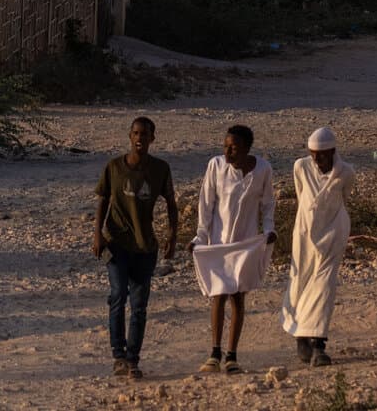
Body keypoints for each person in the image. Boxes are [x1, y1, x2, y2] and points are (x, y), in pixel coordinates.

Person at [92, 115, 178, 380]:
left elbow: (172, 204)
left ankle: (133, 360)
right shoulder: (114, 167)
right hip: (116, 244)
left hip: (145, 246)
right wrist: (97, 233)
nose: (140, 138)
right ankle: (118, 354)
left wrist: (172, 236)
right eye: (136, 133)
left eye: (145, 134)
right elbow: (103, 200)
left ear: (153, 138)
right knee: (118, 295)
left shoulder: (160, 169)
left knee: (139, 306)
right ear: (130, 136)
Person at [192, 122, 277, 375]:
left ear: (247, 149)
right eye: (226, 147)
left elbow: (268, 204)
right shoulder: (216, 166)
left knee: (238, 296)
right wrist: (200, 236)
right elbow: (205, 204)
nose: (229, 153)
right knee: (218, 294)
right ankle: (214, 352)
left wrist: (269, 230)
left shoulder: (262, 169)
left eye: (234, 148)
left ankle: (232, 355)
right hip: (219, 241)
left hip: (245, 242)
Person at [281, 126, 355, 367]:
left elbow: (344, 197)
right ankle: (300, 335)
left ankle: (318, 344)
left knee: (324, 286)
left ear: (332, 151)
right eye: (313, 154)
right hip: (304, 234)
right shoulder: (300, 167)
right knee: (301, 280)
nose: (317, 159)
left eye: (321, 154)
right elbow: (301, 193)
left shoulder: (346, 172)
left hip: (334, 231)